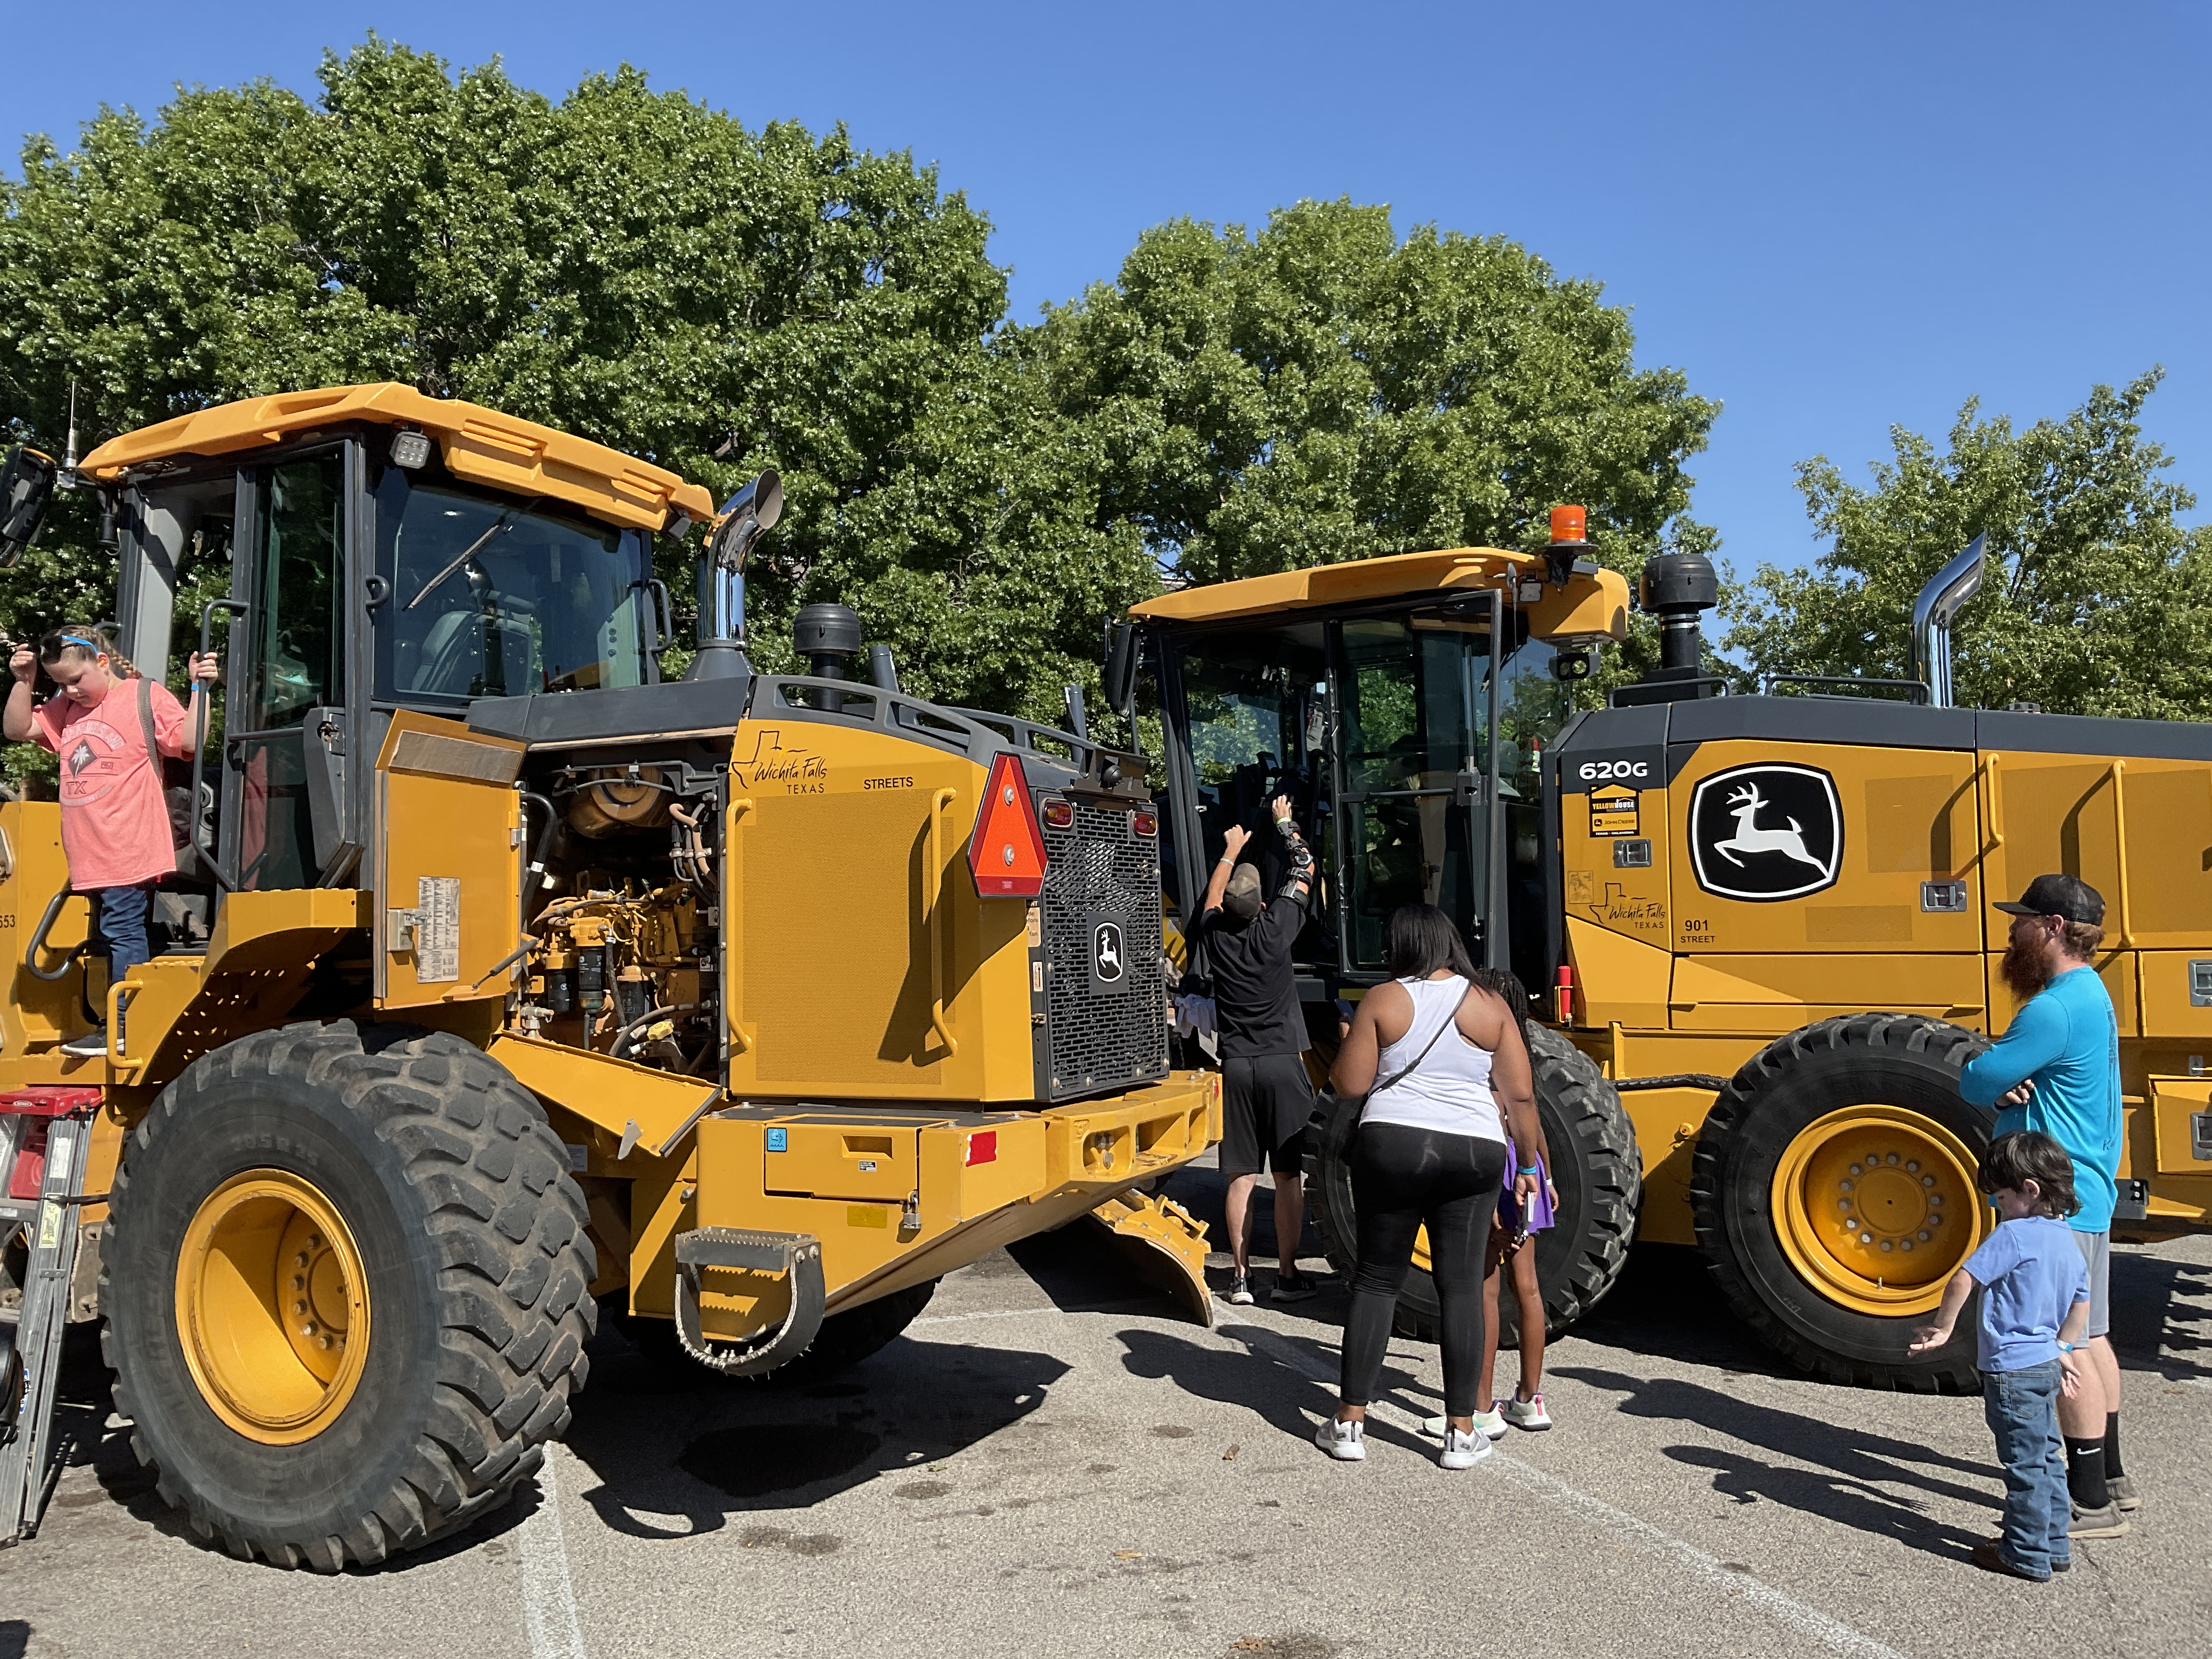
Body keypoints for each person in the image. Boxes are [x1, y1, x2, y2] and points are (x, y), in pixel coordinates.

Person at [1319, 905, 1543, 1470]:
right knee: (1462, 1287)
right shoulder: (1489, 1005)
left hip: (1394, 1142)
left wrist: (1351, 1039)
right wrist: (1527, 1169)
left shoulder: (1385, 999)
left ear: (1402, 945)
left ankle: (1349, 1423)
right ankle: (1462, 1432)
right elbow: (1519, 1097)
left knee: (1376, 1279)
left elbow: (1349, 1085)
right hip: (1474, 1147)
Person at [1957, 874, 2131, 1538]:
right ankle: (2111, 1477)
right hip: (2088, 1188)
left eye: (2023, 921)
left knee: (2067, 1349)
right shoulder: (2092, 993)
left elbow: (1977, 1076)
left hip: (2057, 1198)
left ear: (2054, 927)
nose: (2012, 931)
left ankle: (2087, 1502)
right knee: (2094, 1337)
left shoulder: (2052, 1007)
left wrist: (1998, 1082)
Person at [3, 628, 219, 1058]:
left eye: (75, 680)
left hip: (128, 843)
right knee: (106, 936)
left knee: (122, 930)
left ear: (102, 663)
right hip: (88, 852)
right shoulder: (68, 708)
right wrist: (23, 681)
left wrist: (200, 688)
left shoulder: (143, 697)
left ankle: (125, 1023)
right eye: (59, 683)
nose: (69, 690)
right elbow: (17, 728)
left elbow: (189, 742)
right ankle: (113, 1020)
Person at [1909, 1132, 2092, 1581]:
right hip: (2045, 1364)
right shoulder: (2067, 1240)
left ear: (2030, 1190)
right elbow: (2081, 1304)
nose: (1999, 1207)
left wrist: (1944, 1326)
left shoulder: (2014, 1235)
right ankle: (2053, 1544)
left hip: (2011, 1370)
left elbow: (1963, 1280)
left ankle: (2024, 1552)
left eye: (2002, 1198)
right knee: (2048, 1456)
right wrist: (2063, 1348)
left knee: (2024, 1464)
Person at [1420, 967, 1558, 1441]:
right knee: (1530, 1288)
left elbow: (1496, 1128)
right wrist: (1547, 1174)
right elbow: (1531, 1126)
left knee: (1484, 1291)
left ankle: (1481, 1408)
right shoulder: (1525, 1061)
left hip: (1498, 1180)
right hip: (1531, 1175)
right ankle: (1530, 1397)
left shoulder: (1486, 1063)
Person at [1198, 793, 1319, 1306]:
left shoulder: (1216, 937)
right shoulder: (1277, 931)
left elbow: (1209, 902)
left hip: (1238, 1066)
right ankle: (1287, 1275)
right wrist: (1285, 823)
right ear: (1264, 905)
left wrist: (1229, 851)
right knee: (1287, 1173)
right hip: (1282, 1063)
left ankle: (1241, 1279)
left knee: (1241, 1175)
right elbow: (1306, 866)